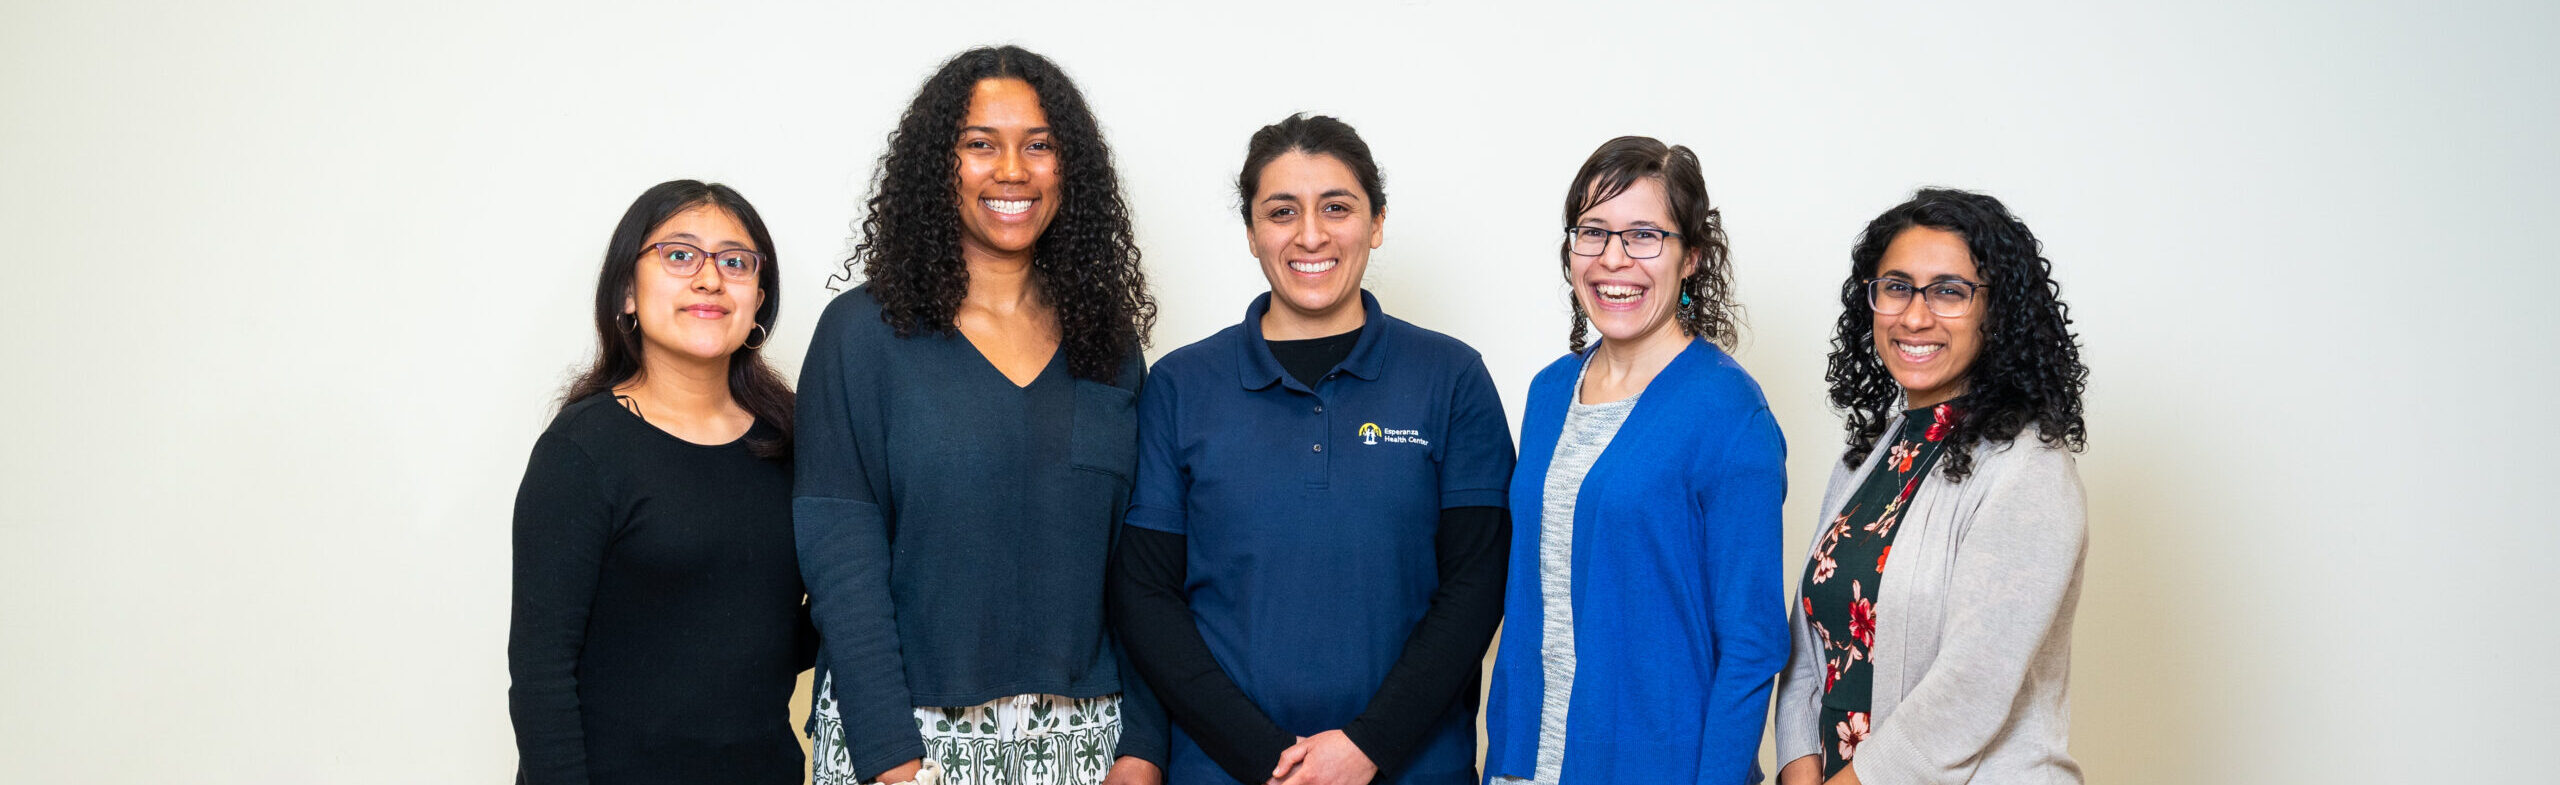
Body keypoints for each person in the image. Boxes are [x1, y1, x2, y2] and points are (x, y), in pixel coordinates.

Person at [795, 45, 1167, 785]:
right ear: (939, 164)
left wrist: (1145, 746)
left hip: (1085, 740)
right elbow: (841, 556)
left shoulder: (1108, 343)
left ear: (1069, 167)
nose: (1012, 170)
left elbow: (1139, 564)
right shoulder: (863, 333)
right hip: (906, 737)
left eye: (1040, 145)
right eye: (980, 144)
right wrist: (891, 758)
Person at [1109, 113, 1515, 785]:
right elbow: (1146, 594)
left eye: (1336, 207)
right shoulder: (1181, 385)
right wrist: (1266, 755)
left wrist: (1366, 746)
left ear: (1376, 222)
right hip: (1225, 771)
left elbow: (1478, 585)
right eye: (1281, 211)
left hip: (1412, 769)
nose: (1310, 234)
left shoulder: (1451, 379)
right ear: (1251, 233)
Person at [1480, 137, 1788, 784]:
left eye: (1644, 235)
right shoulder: (1548, 392)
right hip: (1526, 761)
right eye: (1593, 232)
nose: (1613, 258)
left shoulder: (1728, 412)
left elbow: (1752, 645)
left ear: (1692, 256)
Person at [1773, 188, 2090, 785]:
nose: (1915, 316)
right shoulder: (1866, 459)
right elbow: (1810, 641)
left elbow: (1973, 685)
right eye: (1897, 287)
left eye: (1949, 291)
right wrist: (1797, 761)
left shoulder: (2030, 470)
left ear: (1998, 311)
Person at [508, 179, 811, 784]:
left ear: (758, 300)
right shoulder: (581, 451)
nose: (710, 279)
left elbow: (774, 636)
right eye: (679, 255)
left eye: (735, 262)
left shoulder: (794, 443)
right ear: (627, 291)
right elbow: (542, 674)